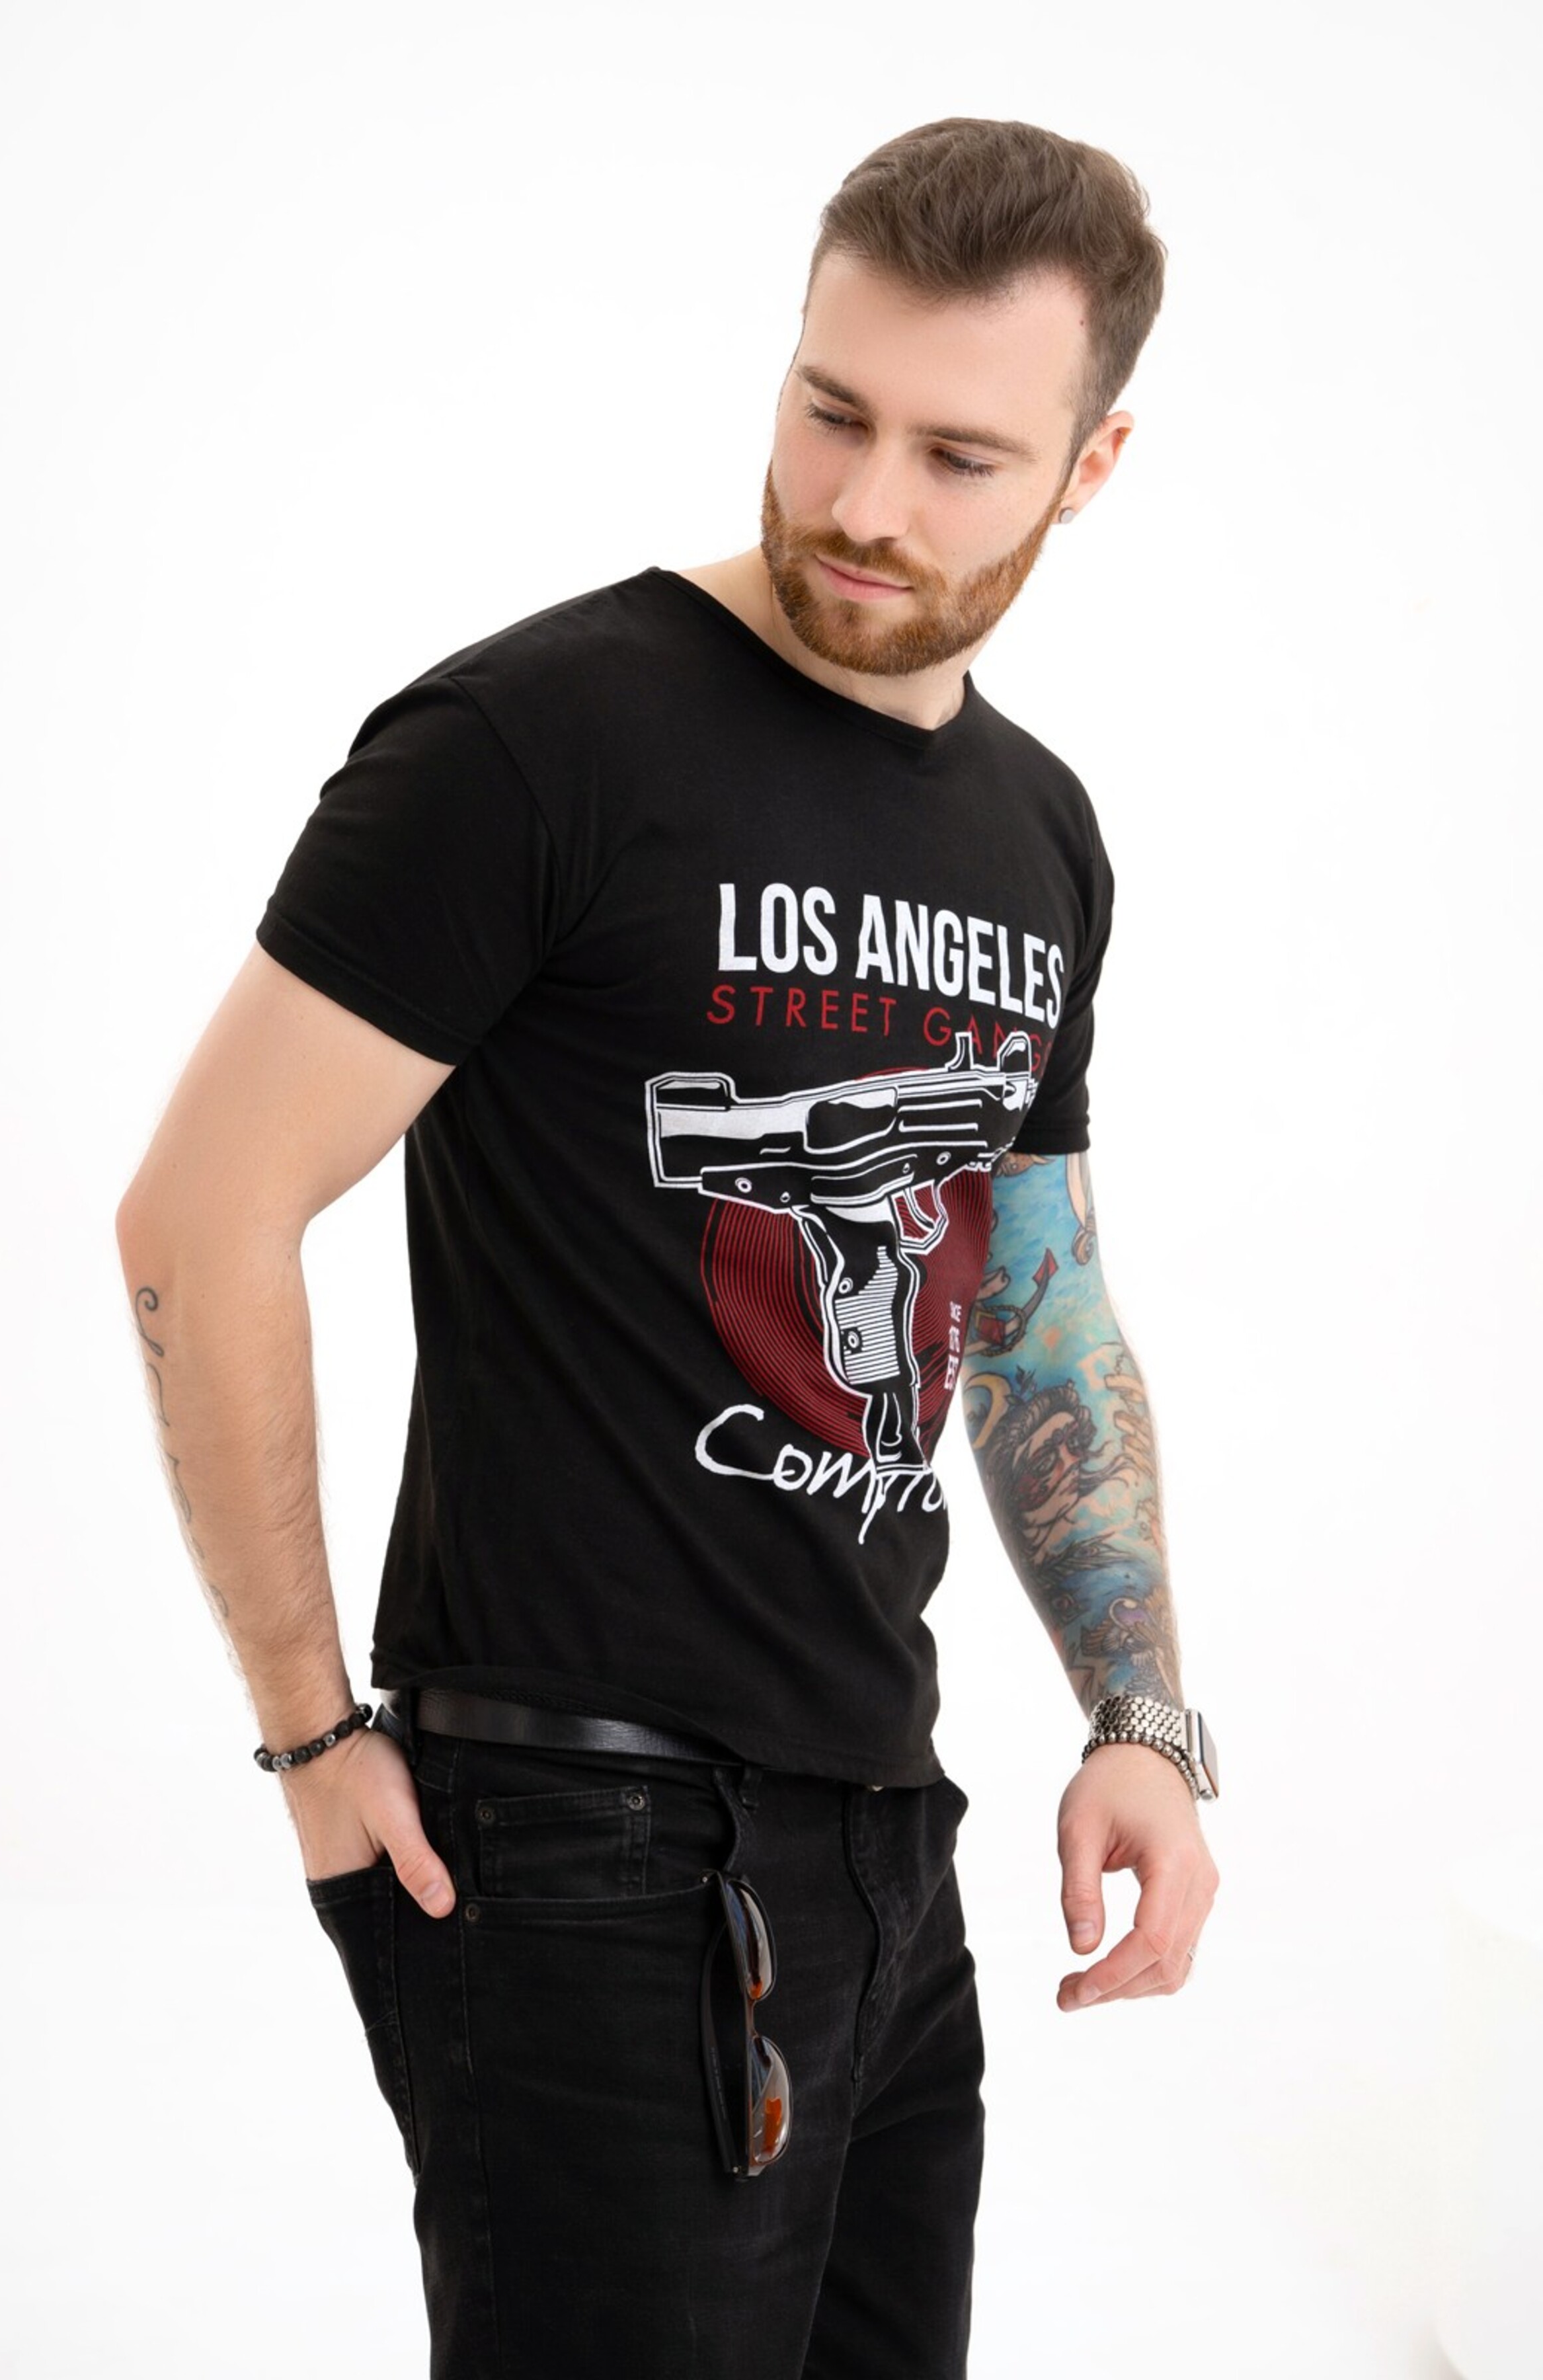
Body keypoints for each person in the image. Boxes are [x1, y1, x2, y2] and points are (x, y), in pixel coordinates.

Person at [115, 113, 1222, 2380]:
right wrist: (308, 1736)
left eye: (959, 457)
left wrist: (1138, 1715)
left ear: (1091, 465)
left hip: (891, 1828)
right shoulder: (533, 743)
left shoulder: (1038, 834)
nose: (862, 505)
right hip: (578, 1838)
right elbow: (199, 1218)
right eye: (829, 410)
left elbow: (1035, 1308)